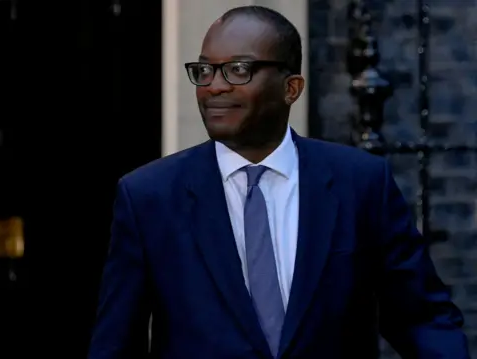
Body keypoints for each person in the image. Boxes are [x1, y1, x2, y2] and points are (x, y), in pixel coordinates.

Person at [87, 6, 469, 359]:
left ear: (292, 88)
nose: (214, 87)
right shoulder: (149, 196)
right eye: (204, 71)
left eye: (238, 70)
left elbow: (422, 319)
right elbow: (117, 343)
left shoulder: (361, 183)